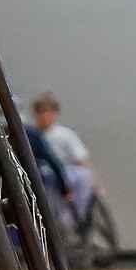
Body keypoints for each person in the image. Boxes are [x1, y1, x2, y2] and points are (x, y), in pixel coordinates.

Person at [32, 92, 95, 223]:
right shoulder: (31, 134)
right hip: (40, 172)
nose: (45, 116)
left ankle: (76, 215)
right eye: (42, 112)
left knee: (83, 176)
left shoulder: (65, 135)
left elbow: (81, 159)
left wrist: (95, 183)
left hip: (65, 171)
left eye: (49, 112)